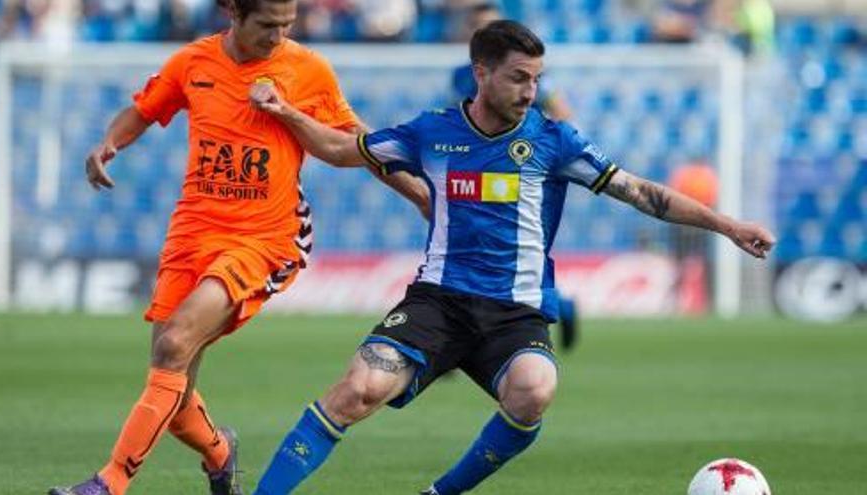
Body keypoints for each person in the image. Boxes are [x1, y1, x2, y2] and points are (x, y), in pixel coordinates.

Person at [248, 19, 775, 494]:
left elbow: (641, 192)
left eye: (537, 79)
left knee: (534, 389)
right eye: (519, 78)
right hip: (439, 301)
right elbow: (342, 150)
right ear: (481, 73)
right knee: (357, 391)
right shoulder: (433, 132)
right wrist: (286, 112)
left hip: (514, 310)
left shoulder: (554, 140)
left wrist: (727, 226)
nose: (531, 92)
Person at [47, 1, 427, 494]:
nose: (278, 36)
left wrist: (419, 194)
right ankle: (220, 454)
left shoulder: (307, 69)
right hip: (192, 232)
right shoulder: (194, 62)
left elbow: (357, 140)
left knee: (174, 344)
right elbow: (142, 110)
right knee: (173, 386)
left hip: (262, 237)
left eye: (287, 25)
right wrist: (108, 143)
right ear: (234, 14)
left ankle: (109, 483)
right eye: (267, 25)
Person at [452, 2, 580, 350]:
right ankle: (450, 329)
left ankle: (561, 305)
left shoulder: (532, 77)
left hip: (523, 170)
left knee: (522, 247)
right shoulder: (461, 75)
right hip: (479, 171)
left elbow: (562, 113)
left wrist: (553, 156)